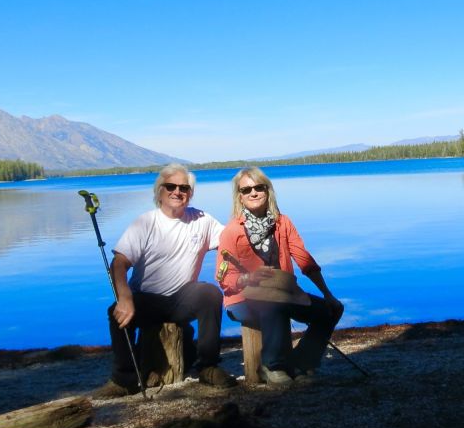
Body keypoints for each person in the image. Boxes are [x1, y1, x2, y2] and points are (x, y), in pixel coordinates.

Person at [94, 163, 237, 398]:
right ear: (159, 191)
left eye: (184, 187)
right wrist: (125, 297)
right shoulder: (145, 222)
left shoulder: (202, 220)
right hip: (146, 299)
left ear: (190, 193)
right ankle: (124, 379)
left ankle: (208, 366)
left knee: (209, 294)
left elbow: (231, 241)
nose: (177, 191)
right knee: (115, 311)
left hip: (182, 298)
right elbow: (119, 264)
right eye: (171, 186)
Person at [216, 166, 344, 387]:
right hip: (241, 300)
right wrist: (247, 279)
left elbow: (305, 260)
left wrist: (327, 293)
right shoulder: (232, 231)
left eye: (259, 187)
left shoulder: (283, 223)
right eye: (246, 190)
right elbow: (223, 278)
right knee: (273, 305)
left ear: (268, 190)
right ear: (240, 196)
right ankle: (272, 366)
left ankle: (301, 362)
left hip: (283, 294)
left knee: (330, 310)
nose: (253, 193)